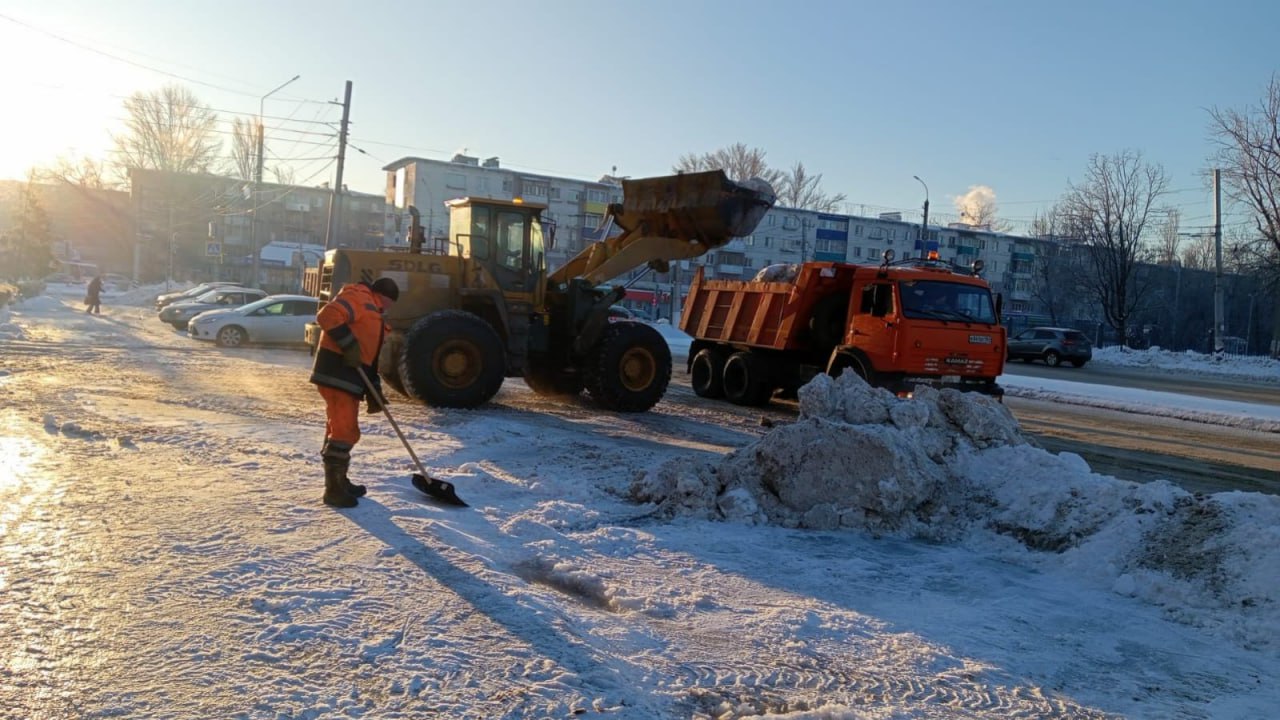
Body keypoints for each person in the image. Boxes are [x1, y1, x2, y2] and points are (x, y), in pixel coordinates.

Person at [309, 277, 400, 508]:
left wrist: (374, 387)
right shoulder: (358, 297)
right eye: (391, 302)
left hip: (348, 380)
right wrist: (348, 345)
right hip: (337, 375)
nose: (390, 307)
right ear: (384, 295)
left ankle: (340, 481)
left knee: (342, 430)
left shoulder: (374, 312)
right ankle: (334, 491)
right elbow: (326, 316)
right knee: (344, 432)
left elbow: (367, 356)